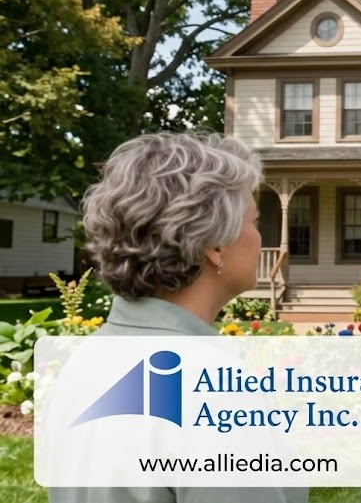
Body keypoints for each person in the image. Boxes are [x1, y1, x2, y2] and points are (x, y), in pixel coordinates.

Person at [50, 132, 307, 503]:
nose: (259, 237)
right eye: (254, 220)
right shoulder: (216, 395)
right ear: (215, 246)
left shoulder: (84, 360)